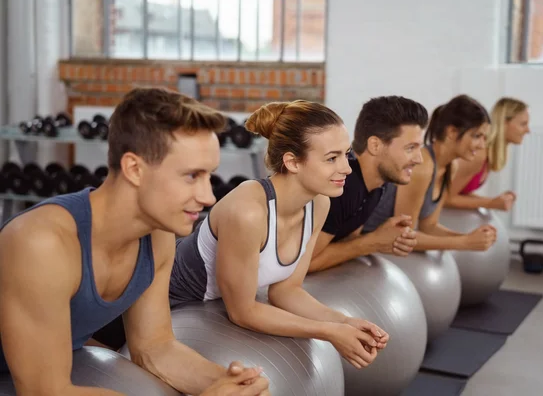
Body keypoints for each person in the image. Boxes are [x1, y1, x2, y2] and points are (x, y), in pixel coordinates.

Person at [0, 87, 269, 396]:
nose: (208, 197)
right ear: (134, 169)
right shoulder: (43, 243)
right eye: (192, 176)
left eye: (210, 176)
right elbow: (43, 391)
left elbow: (156, 347)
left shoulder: (157, 235)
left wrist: (229, 384)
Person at [169, 100, 389, 371]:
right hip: (164, 301)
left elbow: (287, 291)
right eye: (332, 158)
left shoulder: (319, 204)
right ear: (293, 162)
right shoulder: (248, 211)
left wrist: (343, 322)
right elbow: (243, 311)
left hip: (206, 310)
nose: (346, 168)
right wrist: (328, 332)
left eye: (346, 155)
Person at [361, 94, 497, 252]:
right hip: (364, 242)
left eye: (484, 137)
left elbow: (429, 226)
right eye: (476, 136)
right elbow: (403, 236)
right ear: (452, 132)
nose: (482, 145)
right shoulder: (422, 167)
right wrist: (464, 242)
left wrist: (470, 238)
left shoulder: (450, 167)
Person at [308, 95, 428, 273]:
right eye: (410, 148)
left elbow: (347, 242)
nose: (419, 159)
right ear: (375, 145)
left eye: (420, 148)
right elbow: (304, 264)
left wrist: (385, 235)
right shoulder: (343, 185)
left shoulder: (379, 184)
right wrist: (374, 242)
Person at [445, 97, 530, 211]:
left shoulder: (487, 155)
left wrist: (497, 201)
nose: (528, 130)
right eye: (523, 124)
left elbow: (459, 192)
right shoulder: (478, 154)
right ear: (504, 123)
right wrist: (490, 203)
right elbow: (446, 199)